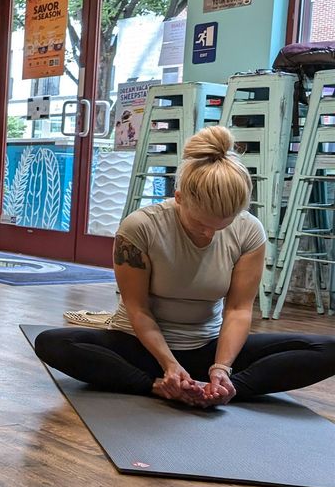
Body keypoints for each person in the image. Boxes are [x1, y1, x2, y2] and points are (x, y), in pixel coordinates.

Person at [33, 127, 335, 407]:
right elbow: (138, 309)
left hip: (208, 348)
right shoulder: (140, 227)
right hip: (141, 349)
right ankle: (157, 386)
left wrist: (221, 368)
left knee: (328, 350)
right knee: (52, 343)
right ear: (179, 198)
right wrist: (169, 365)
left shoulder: (249, 230)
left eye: (222, 225)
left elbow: (238, 310)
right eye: (201, 223)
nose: (209, 234)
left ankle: (220, 390)